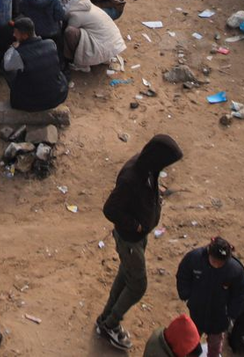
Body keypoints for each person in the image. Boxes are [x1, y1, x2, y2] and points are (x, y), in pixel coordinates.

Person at [96, 134, 185, 352]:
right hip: (129, 241)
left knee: (126, 275)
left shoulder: (148, 168)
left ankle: (106, 318)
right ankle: (111, 324)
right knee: (137, 285)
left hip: (138, 238)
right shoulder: (131, 178)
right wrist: (135, 225)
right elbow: (110, 209)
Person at [175, 237, 244, 357]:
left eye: (221, 263)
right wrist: (186, 294)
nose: (217, 265)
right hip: (197, 312)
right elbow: (183, 274)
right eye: (214, 261)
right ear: (209, 252)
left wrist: (232, 313)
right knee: (191, 340)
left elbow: (240, 293)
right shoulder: (194, 259)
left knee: (215, 346)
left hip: (219, 319)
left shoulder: (235, 270)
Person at [3, 16, 69, 110]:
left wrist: (12, 48)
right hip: (58, 96)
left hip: (30, 103)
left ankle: (20, 93)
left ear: (25, 36)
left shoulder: (19, 54)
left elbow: (7, 66)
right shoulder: (51, 43)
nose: (14, 35)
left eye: (16, 33)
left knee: (6, 66)